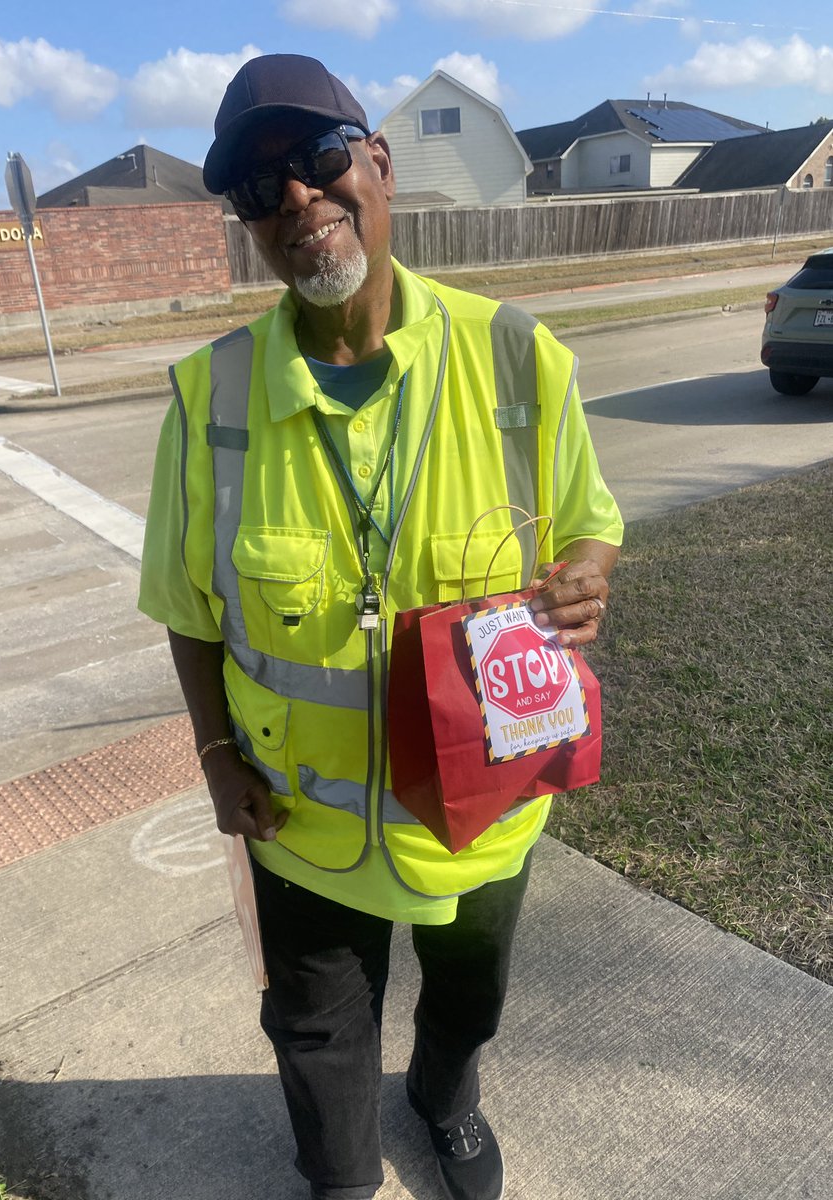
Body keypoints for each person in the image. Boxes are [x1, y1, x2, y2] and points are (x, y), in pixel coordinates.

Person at [139, 53, 622, 1200]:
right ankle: (343, 1175)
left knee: (470, 995)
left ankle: (446, 1098)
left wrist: (587, 574)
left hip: (483, 813)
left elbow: (592, 523)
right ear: (247, 223)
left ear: (378, 163)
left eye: (316, 159)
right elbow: (188, 612)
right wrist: (214, 758)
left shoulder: (516, 356)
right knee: (314, 1028)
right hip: (300, 824)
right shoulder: (208, 402)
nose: (297, 199)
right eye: (259, 188)